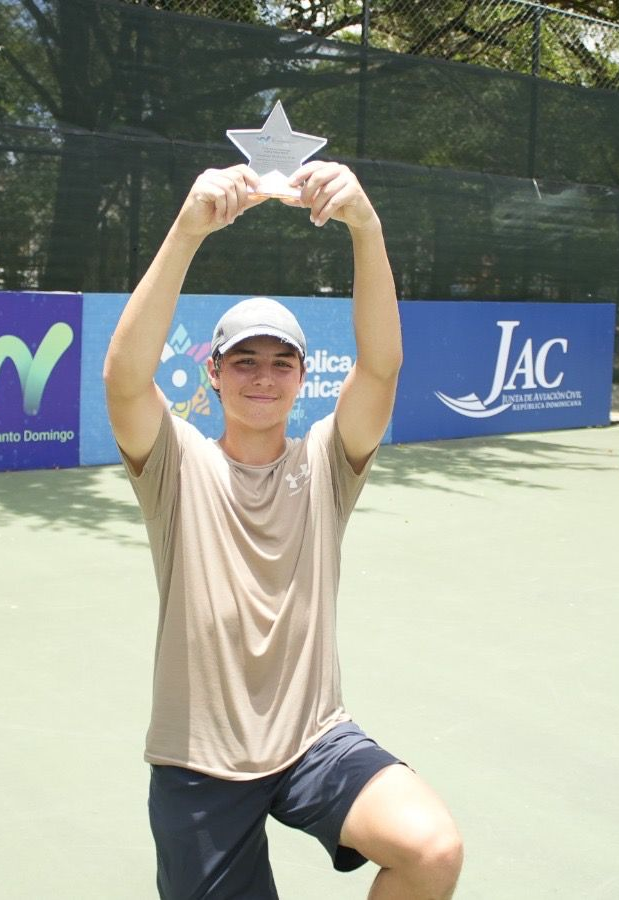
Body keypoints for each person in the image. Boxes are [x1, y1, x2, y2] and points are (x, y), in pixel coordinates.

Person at [104, 161, 464, 899]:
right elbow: (124, 380)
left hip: (313, 742)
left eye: (280, 362)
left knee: (431, 849)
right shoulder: (177, 464)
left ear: (304, 378)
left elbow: (383, 368)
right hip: (199, 759)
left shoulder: (328, 462)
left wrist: (367, 226)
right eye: (244, 361)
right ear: (214, 376)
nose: (262, 377)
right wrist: (186, 229)